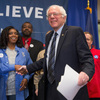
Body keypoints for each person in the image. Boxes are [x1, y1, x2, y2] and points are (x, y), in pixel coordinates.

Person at [17, 5, 94, 100]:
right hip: (49, 89)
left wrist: (86, 73)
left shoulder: (74, 32)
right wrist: (28, 68)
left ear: (64, 17)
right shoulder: (49, 36)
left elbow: (87, 58)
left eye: (55, 14)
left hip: (69, 90)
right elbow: (47, 59)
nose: (52, 17)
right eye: (49, 15)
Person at [0, 26, 33, 100]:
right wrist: (14, 67)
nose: (14, 35)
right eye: (10, 33)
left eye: (15, 33)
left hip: (18, 91)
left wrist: (26, 79)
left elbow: (30, 68)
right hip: (2, 92)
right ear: (5, 35)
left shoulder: (23, 51)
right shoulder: (1, 50)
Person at [21, 22, 43, 100]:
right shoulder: (16, 43)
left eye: (29, 27)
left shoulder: (39, 44)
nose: (26, 28)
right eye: (24, 27)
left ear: (32, 30)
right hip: (18, 75)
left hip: (34, 76)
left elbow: (41, 61)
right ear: (21, 29)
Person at [84, 32, 100, 99]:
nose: (85, 41)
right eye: (84, 39)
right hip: (81, 90)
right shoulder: (75, 54)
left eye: (88, 39)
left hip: (96, 90)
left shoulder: (98, 53)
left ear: (91, 41)